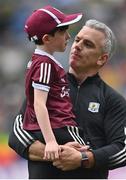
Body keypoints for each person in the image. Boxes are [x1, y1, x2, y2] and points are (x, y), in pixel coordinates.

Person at [9, 19, 126, 179]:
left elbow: (121, 150)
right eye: (77, 40)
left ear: (101, 59)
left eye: (88, 44)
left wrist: (83, 159)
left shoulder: (113, 100)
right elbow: (17, 134)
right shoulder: (44, 85)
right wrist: (56, 153)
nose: (77, 46)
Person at [12, 5, 89, 178]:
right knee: (90, 155)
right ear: (47, 38)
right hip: (58, 127)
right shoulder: (45, 64)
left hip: (56, 128)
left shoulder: (41, 61)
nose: (69, 36)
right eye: (63, 32)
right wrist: (51, 141)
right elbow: (39, 104)